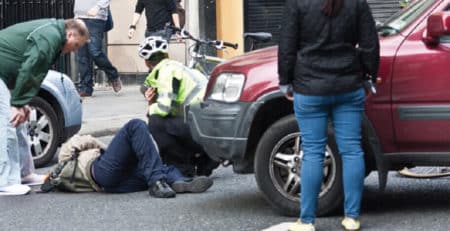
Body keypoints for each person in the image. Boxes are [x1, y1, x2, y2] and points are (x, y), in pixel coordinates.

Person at [278, 0, 379, 231]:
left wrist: (285, 81)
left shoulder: (297, 3)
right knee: (352, 150)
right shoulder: (356, 3)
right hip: (348, 85)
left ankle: (307, 221)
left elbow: (287, 45)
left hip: (309, 87)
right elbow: (369, 43)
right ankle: (351, 217)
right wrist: (369, 76)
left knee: (312, 152)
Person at [0, 18, 89, 195]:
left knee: (19, 125)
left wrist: (22, 101)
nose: (75, 50)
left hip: (5, 74)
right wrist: (17, 103)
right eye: (76, 44)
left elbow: (33, 72)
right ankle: (4, 181)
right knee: (6, 123)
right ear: (69, 34)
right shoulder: (50, 37)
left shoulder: (53, 37)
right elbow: (30, 68)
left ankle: (24, 174)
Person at [138, 36, 220, 177]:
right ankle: (205, 160)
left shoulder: (166, 72)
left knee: (156, 122)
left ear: (146, 62)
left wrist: (150, 108)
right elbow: (175, 109)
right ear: (167, 55)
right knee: (170, 123)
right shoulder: (179, 68)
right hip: (212, 128)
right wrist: (152, 101)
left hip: (202, 129)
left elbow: (166, 109)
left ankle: (181, 168)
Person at [90, 119, 213, 197]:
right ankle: (158, 181)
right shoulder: (74, 153)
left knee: (163, 169)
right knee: (135, 125)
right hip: (102, 171)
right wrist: (101, 146)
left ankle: (179, 181)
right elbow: (75, 143)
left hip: (121, 183)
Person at [74, 0, 122, 97]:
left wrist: (98, 7)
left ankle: (113, 75)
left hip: (96, 17)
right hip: (79, 17)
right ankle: (86, 88)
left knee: (95, 52)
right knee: (82, 56)